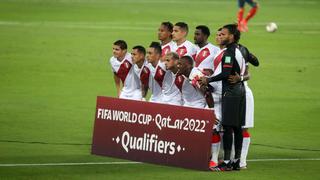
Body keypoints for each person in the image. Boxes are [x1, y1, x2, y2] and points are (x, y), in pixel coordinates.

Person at [200, 24, 246, 171]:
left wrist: (208, 80)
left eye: (224, 34)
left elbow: (226, 74)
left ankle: (226, 163)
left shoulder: (228, 53)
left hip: (230, 92)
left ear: (231, 37)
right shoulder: (240, 50)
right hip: (240, 91)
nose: (221, 36)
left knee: (227, 128)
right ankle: (237, 161)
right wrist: (242, 77)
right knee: (237, 127)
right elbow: (252, 63)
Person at [228, 43, 259, 169]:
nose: (219, 37)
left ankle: (241, 161)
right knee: (227, 128)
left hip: (242, 93)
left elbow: (252, 68)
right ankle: (230, 159)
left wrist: (239, 78)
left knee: (242, 128)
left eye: (222, 34)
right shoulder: (220, 52)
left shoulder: (240, 51)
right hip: (227, 94)